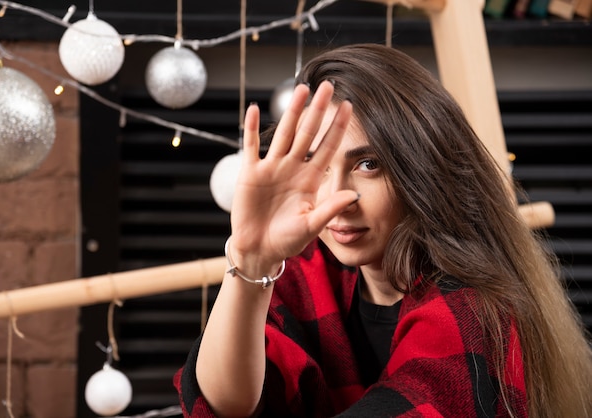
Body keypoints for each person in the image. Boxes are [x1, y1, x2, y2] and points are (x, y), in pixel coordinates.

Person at [174, 44, 592, 417]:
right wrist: (251, 259)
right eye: (316, 165)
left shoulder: (473, 309)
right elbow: (218, 405)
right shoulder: (304, 277)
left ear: (421, 172)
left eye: (368, 165)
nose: (337, 196)